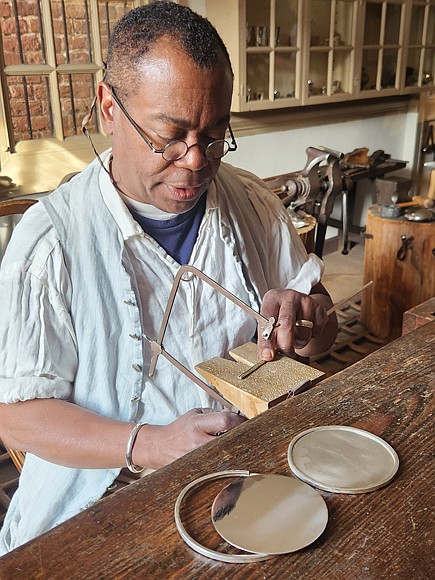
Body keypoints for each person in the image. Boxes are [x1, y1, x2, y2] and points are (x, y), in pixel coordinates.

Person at [0, 1, 337, 554]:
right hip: (106, 494)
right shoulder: (51, 242)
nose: (195, 162)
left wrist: (311, 320)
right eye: (171, 134)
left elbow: (321, 327)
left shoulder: (250, 201)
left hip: (241, 472)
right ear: (110, 107)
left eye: (213, 135)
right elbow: (16, 419)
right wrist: (148, 444)